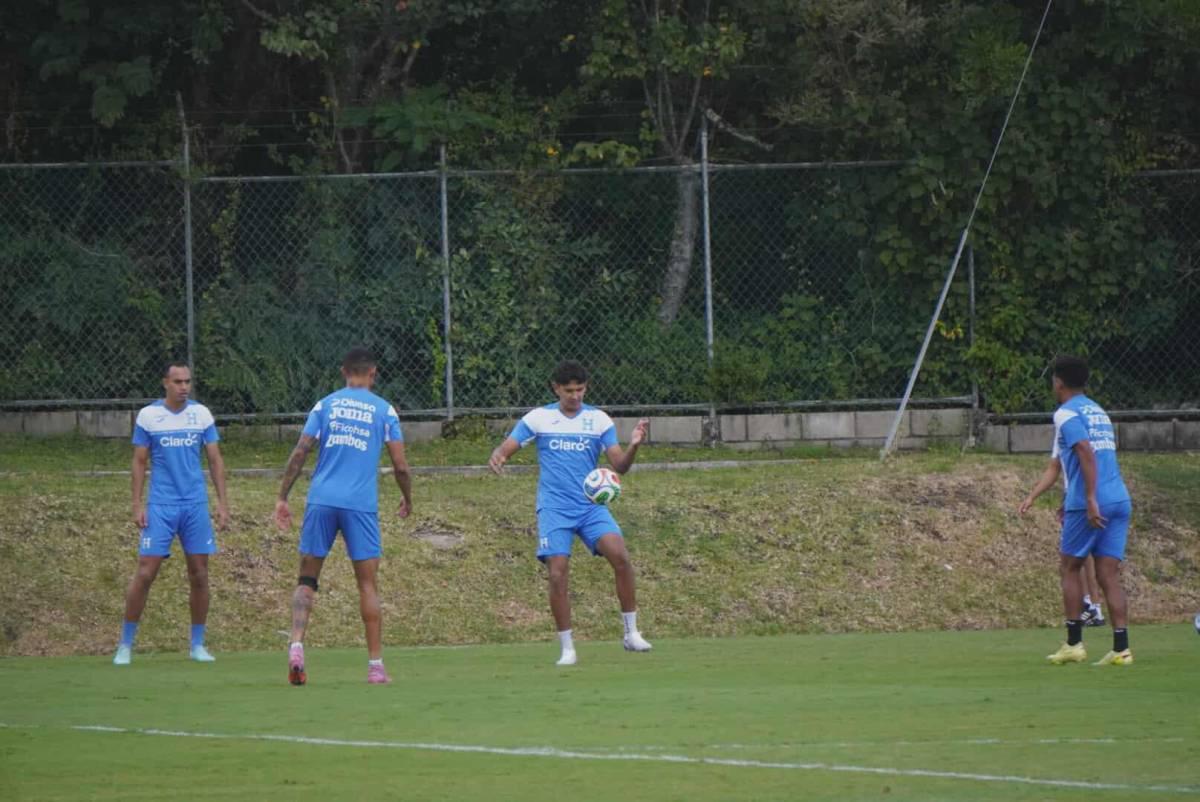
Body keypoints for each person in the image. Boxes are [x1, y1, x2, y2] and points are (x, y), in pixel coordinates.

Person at [488, 360, 652, 666]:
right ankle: (568, 648)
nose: (575, 396)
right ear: (556, 389)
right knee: (557, 572)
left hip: (590, 507)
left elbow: (620, 466)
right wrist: (499, 454)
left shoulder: (599, 420)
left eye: (580, 390)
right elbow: (509, 445)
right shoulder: (539, 418)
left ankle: (631, 633)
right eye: (569, 390)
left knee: (620, 555)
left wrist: (633, 446)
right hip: (554, 508)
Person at [274, 347, 412, 686]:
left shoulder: (325, 405)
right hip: (359, 505)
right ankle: (376, 666)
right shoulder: (385, 411)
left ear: (343, 372)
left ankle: (296, 646)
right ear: (373, 373)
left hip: (321, 500)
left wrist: (282, 496)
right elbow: (400, 465)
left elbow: (302, 449)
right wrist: (408, 497)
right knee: (367, 583)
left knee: (306, 579)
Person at [1018, 355, 1132, 666]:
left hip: (1089, 501)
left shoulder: (1065, 413)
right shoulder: (1097, 411)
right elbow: (1059, 464)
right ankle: (1121, 649)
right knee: (1108, 573)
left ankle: (1073, 644)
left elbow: (1085, 450)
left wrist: (1090, 498)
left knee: (1069, 567)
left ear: (1058, 382)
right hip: (1119, 497)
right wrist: (1036, 496)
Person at [114, 362, 230, 665]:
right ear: (165, 382)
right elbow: (139, 461)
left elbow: (215, 460)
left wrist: (222, 502)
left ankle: (197, 645)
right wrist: (137, 504)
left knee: (200, 574)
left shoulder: (201, 414)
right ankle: (125, 645)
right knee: (145, 572)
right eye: (178, 381)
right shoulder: (149, 416)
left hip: (195, 506)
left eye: (188, 381)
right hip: (161, 506)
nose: (184, 387)